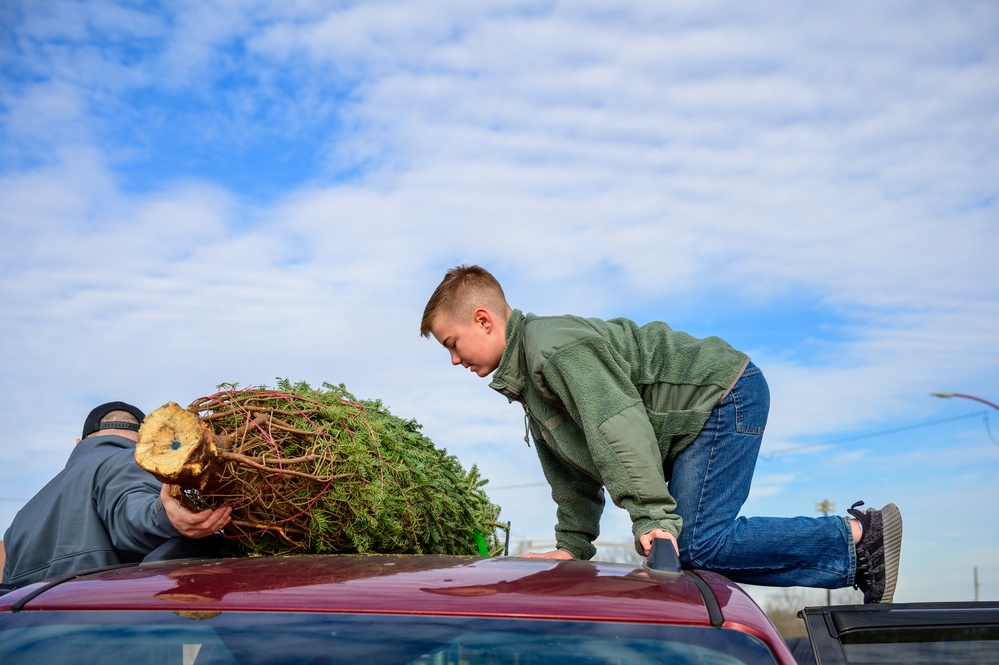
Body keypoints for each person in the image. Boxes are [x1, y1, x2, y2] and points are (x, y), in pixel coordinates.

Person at [420, 264, 903, 604]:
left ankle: (860, 537)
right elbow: (573, 469)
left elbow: (617, 425)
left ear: (483, 320)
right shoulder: (529, 378)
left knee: (693, 544)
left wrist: (651, 515)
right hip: (690, 419)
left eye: (452, 344)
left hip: (721, 395)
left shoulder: (553, 349)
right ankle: (856, 557)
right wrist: (573, 543)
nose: (454, 360)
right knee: (681, 549)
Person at [1, 401, 232, 588]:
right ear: (144, 445)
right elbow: (131, 505)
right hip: (108, 640)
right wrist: (164, 516)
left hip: (27, 642)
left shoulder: (21, 520)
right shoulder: (125, 461)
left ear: (78, 443)